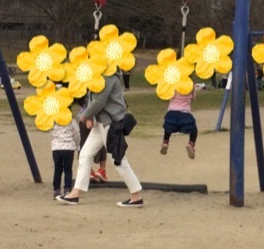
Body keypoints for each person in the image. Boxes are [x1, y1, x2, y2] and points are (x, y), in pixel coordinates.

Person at [57, 73, 143, 207]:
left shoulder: (108, 77)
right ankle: (75, 194)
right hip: (101, 123)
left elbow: (100, 101)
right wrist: (91, 116)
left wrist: (86, 115)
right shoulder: (99, 74)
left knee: (117, 159)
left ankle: (136, 195)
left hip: (110, 124)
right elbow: (93, 96)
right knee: (85, 155)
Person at [160, 83, 198, 158]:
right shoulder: (190, 85)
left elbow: (168, 95)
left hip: (172, 112)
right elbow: (193, 98)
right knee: (194, 130)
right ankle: (191, 144)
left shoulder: (173, 84)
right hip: (185, 113)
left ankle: (165, 142)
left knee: (168, 129)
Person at [50, 113, 81, 199]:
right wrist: (78, 144)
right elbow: (76, 133)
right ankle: (67, 189)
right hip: (69, 147)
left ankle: (56, 190)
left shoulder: (54, 119)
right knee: (68, 170)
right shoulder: (72, 121)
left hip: (56, 147)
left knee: (57, 170)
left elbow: (49, 129)